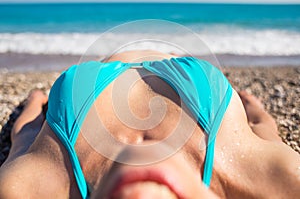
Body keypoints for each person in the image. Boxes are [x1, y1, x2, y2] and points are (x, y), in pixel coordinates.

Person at [0, 50, 299, 199]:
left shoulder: (27, 188)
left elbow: (24, 138)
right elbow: (268, 136)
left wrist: (34, 104)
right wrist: (255, 110)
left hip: (92, 85)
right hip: (196, 89)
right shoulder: (279, 180)